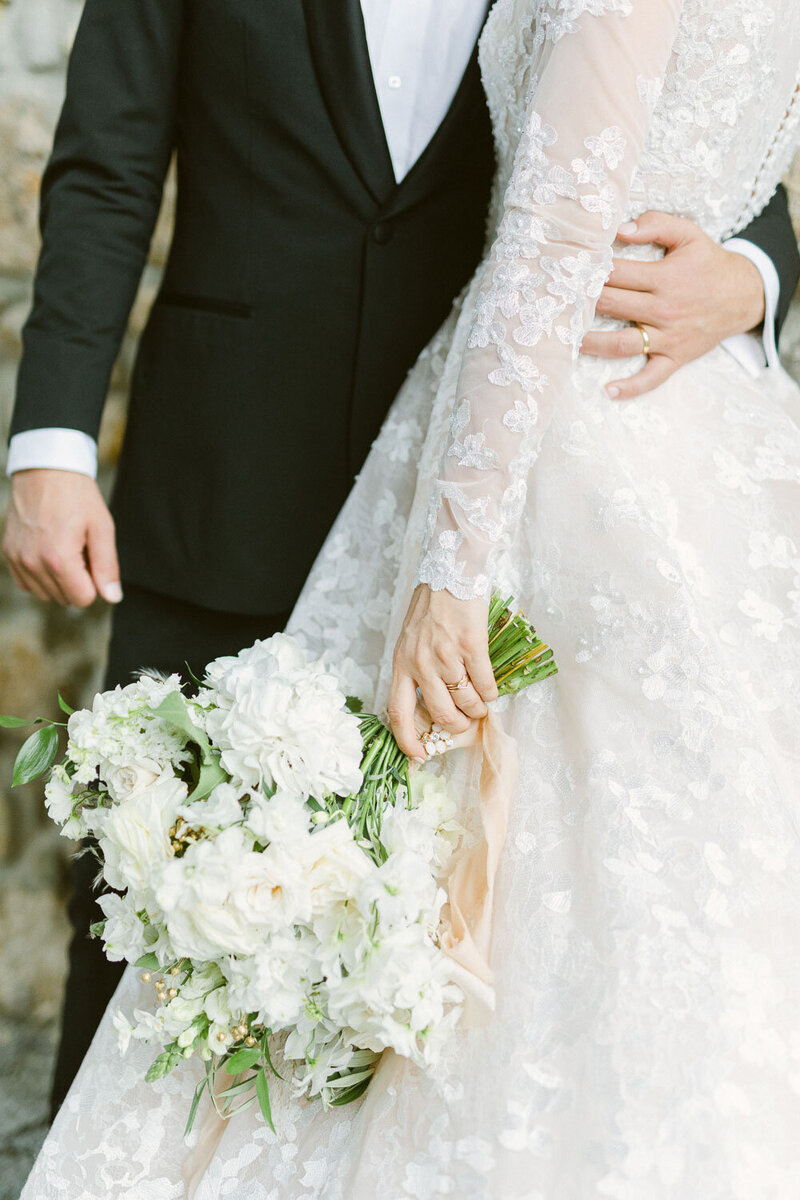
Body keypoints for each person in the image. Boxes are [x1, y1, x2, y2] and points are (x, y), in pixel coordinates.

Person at [11, 0, 800, 1194]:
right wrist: (52, 444)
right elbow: (109, 159)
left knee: (499, 949)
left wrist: (747, 279)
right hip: (237, 468)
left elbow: (679, 157)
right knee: (154, 908)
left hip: (513, 505)